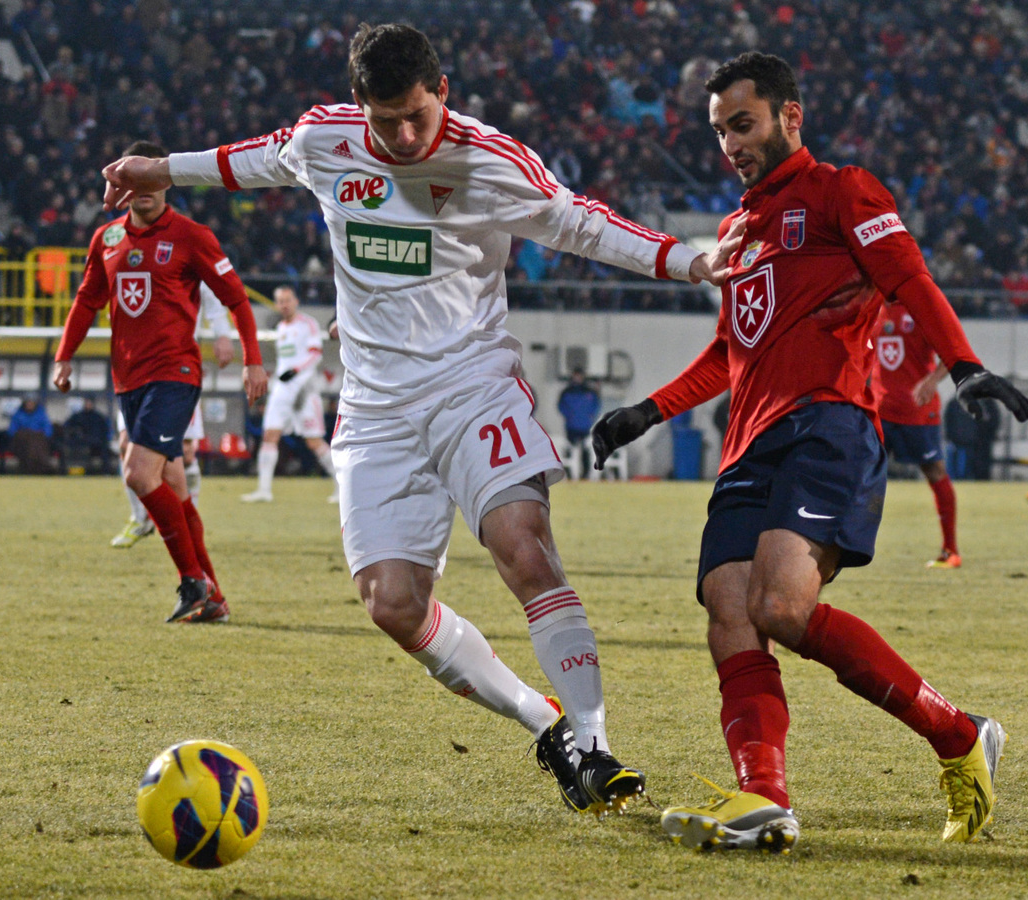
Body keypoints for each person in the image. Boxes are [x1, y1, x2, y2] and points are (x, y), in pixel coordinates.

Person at [98, 24, 723, 814]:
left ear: (443, 92)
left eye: (415, 117)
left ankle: (595, 747)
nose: (400, 137)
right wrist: (161, 169)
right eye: (384, 120)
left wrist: (688, 260)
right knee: (392, 602)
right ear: (359, 104)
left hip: (472, 387)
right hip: (375, 408)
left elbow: (582, 223)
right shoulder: (326, 141)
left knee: (522, 545)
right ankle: (547, 725)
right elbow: (248, 161)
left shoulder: (488, 159)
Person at [590, 52, 1028, 852]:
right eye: (720, 130)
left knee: (781, 608)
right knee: (728, 610)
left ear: (790, 117)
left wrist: (964, 365)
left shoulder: (842, 192)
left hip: (827, 427)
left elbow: (910, 279)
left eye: (744, 124)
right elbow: (729, 351)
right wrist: (647, 411)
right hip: (748, 445)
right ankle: (764, 798)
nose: (731, 143)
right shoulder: (738, 231)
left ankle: (958, 734)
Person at [55, 140, 266, 625]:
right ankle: (214, 598)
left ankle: (192, 582)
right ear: (123, 187)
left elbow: (236, 299)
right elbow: (87, 300)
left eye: (154, 179)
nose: (145, 189)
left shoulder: (192, 236)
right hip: (128, 379)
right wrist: (64, 355)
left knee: (137, 473)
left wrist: (253, 360)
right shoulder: (107, 239)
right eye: (136, 181)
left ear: (168, 181)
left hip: (174, 374)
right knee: (174, 487)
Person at [112, 282, 236, 546]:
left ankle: (189, 521)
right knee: (125, 444)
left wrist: (223, 336)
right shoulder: (132, 263)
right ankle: (141, 518)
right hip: (135, 371)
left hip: (175, 374)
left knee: (186, 452)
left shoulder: (190, 265)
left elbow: (214, 303)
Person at [873, 300, 962, 568]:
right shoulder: (871, 306)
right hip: (879, 409)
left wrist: (931, 380)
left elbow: (952, 352)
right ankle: (847, 547)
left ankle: (951, 550)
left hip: (918, 410)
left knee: (935, 471)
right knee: (863, 475)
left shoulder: (920, 305)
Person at [242, 285, 335, 503]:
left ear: (296, 301)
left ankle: (342, 487)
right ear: (277, 304)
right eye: (280, 301)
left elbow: (315, 354)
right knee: (269, 435)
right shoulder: (281, 328)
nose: (284, 305)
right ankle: (264, 490)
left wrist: (295, 371)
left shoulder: (308, 324)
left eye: (287, 300)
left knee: (314, 441)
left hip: (304, 389)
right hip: (282, 389)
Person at [556, 368, 600, 478]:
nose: (577, 378)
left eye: (579, 376)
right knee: (569, 450)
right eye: (576, 376)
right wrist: (568, 416)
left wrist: (590, 417)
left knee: (585, 451)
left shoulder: (589, 392)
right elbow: (561, 406)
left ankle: (585, 474)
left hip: (585, 426)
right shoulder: (567, 392)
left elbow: (596, 406)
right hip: (571, 426)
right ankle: (569, 473)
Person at [64, 397, 112, 473]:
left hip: (96, 443)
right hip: (83, 442)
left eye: (89, 403)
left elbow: (105, 430)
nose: (88, 405)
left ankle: (105, 472)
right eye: (86, 403)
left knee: (104, 451)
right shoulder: (79, 416)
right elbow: (67, 424)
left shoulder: (98, 417)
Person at [8, 396, 55, 474]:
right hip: (22, 442)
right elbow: (12, 431)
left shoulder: (41, 414)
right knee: (29, 440)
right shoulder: (18, 414)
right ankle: (42, 466)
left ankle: (38, 466)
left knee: (35, 441)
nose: (29, 404)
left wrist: (36, 434)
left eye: (31, 403)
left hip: (38, 441)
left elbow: (48, 430)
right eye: (28, 402)